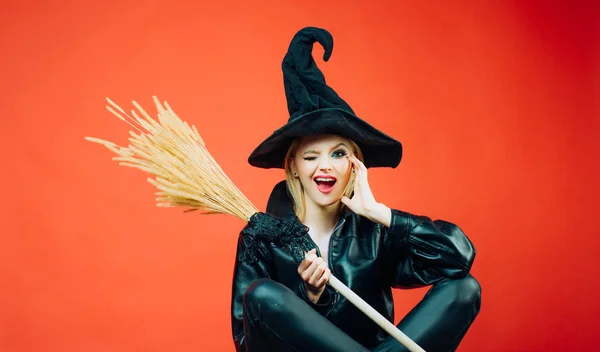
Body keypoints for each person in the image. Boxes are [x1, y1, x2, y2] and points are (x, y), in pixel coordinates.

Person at [230, 27, 481, 352]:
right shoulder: (261, 237)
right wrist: (311, 300)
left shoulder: (375, 231)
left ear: (354, 163)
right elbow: (246, 342)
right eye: (311, 156)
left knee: (464, 288)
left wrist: (381, 214)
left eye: (338, 154)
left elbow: (459, 259)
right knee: (263, 295)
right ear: (293, 165)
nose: (326, 167)